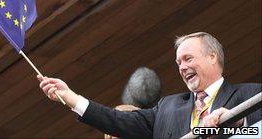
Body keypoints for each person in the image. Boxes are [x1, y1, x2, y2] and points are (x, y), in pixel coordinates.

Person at [38, 32, 261, 138]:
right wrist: (70, 97)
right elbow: (118, 121)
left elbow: (255, 133)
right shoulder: (167, 107)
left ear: (212, 57)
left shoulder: (252, 93)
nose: (182, 67)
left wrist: (236, 123)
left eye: (188, 59)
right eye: (178, 62)